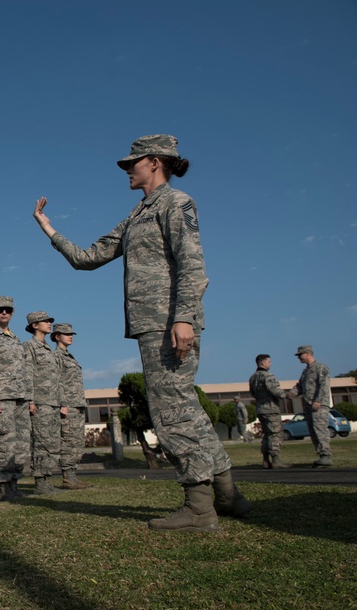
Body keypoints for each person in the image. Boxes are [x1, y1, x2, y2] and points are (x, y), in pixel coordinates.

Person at [32, 134, 251, 532]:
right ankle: (228, 495)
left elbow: (192, 264)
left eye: (131, 163)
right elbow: (88, 258)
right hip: (153, 324)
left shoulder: (176, 202)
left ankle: (200, 509)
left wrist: (183, 317)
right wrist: (49, 229)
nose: (126, 170)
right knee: (187, 409)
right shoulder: (138, 214)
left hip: (168, 323)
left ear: (153, 161)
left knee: (171, 412)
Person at [0, 296, 31, 501]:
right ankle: (4, 486)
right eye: (0, 310)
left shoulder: (15, 338)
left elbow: (24, 370)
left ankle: (14, 484)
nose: (4, 313)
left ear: (12, 313)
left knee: (20, 444)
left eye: (8, 310)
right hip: (2, 398)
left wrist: (29, 397)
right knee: (5, 443)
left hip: (20, 397)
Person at [24, 311, 63, 495]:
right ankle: (40, 482)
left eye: (49, 321)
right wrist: (31, 401)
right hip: (40, 403)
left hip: (53, 402)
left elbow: (56, 378)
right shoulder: (29, 347)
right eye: (45, 321)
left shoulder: (48, 349)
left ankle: (47, 479)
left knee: (53, 444)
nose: (49, 323)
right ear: (34, 325)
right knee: (41, 443)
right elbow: (28, 375)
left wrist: (61, 402)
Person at [52, 323, 93, 490]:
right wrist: (62, 403)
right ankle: (67, 476)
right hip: (67, 405)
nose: (70, 336)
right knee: (68, 441)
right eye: (66, 334)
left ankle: (73, 475)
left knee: (77, 441)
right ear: (57, 336)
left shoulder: (69, 356)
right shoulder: (56, 357)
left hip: (77, 405)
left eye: (71, 334)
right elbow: (56, 381)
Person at [288, 345, 332, 467]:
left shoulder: (320, 368)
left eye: (300, 355)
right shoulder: (306, 371)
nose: (299, 358)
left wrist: (318, 401)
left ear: (307, 353)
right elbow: (300, 386)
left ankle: (326, 455)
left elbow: (324, 386)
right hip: (308, 405)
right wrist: (292, 393)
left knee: (320, 430)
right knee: (313, 431)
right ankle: (321, 456)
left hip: (319, 405)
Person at [249, 354, 288, 469]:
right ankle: (275, 459)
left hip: (261, 409)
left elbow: (253, 393)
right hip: (271, 409)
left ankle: (265, 460)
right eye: (268, 362)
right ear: (262, 363)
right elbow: (276, 391)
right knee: (275, 434)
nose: (270, 364)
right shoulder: (268, 376)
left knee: (266, 434)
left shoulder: (253, 377)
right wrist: (284, 395)